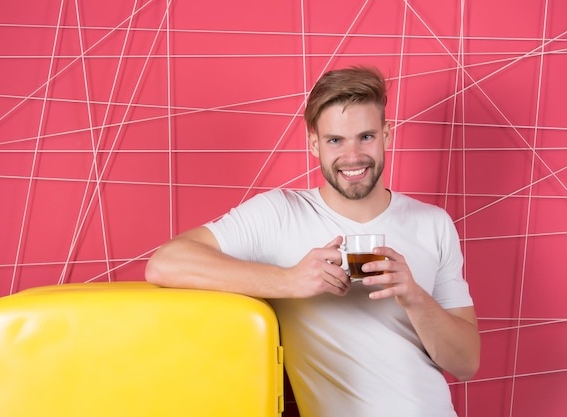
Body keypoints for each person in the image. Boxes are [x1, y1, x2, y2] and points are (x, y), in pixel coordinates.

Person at [145, 65, 480, 416]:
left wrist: (414, 297)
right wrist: (291, 280)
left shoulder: (433, 224)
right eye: (336, 140)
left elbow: (466, 363)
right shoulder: (279, 213)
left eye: (366, 136)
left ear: (387, 135)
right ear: (314, 143)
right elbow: (166, 263)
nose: (352, 156)